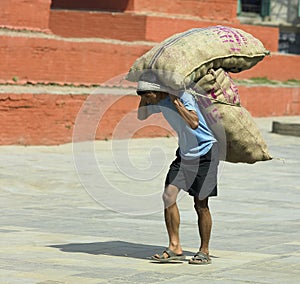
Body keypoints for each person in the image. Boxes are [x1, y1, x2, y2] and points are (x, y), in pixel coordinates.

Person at [137, 78, 219, 265]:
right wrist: (142, 94)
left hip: (206, 152)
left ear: (157, 91)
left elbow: (194, 123)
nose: (149, 101)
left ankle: (204, 250)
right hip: (184, 155)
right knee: (169, 196)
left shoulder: (184, 97)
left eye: (149, 96)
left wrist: (176, 103)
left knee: (201, 204)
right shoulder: (157, 100)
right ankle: (175, 247)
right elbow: (141, 116)